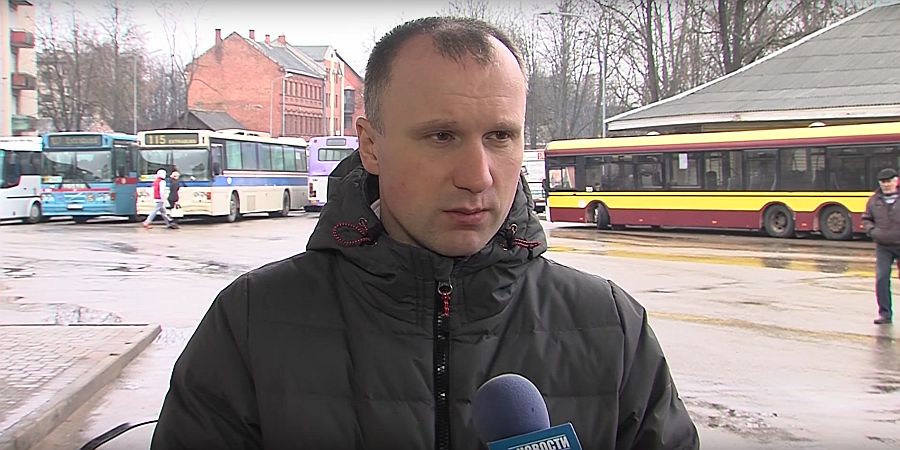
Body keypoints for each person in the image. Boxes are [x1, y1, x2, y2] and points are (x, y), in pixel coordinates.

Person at [151, 17, 699, 449]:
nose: (478, 176)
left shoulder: (611, 326)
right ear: (371, 146)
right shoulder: (251, 322)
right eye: (442, 136)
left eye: (500, 136)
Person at [862, 167, 900, 325]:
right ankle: (885, 314)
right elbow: (866, 219)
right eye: (883, 182)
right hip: (883, 246)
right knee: (882, 278)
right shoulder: (874, 200)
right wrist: (872, 231)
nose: (886, 185)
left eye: (889, 181)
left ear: (896, 181)